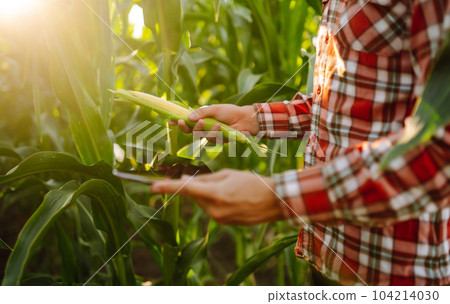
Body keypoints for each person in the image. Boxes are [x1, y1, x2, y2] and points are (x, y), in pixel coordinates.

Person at [152, 0, 450, 285]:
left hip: (392, 272)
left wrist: (279, 197)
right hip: (328, 254)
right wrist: (253, 118)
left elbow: (440, 151)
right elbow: (344, 104)